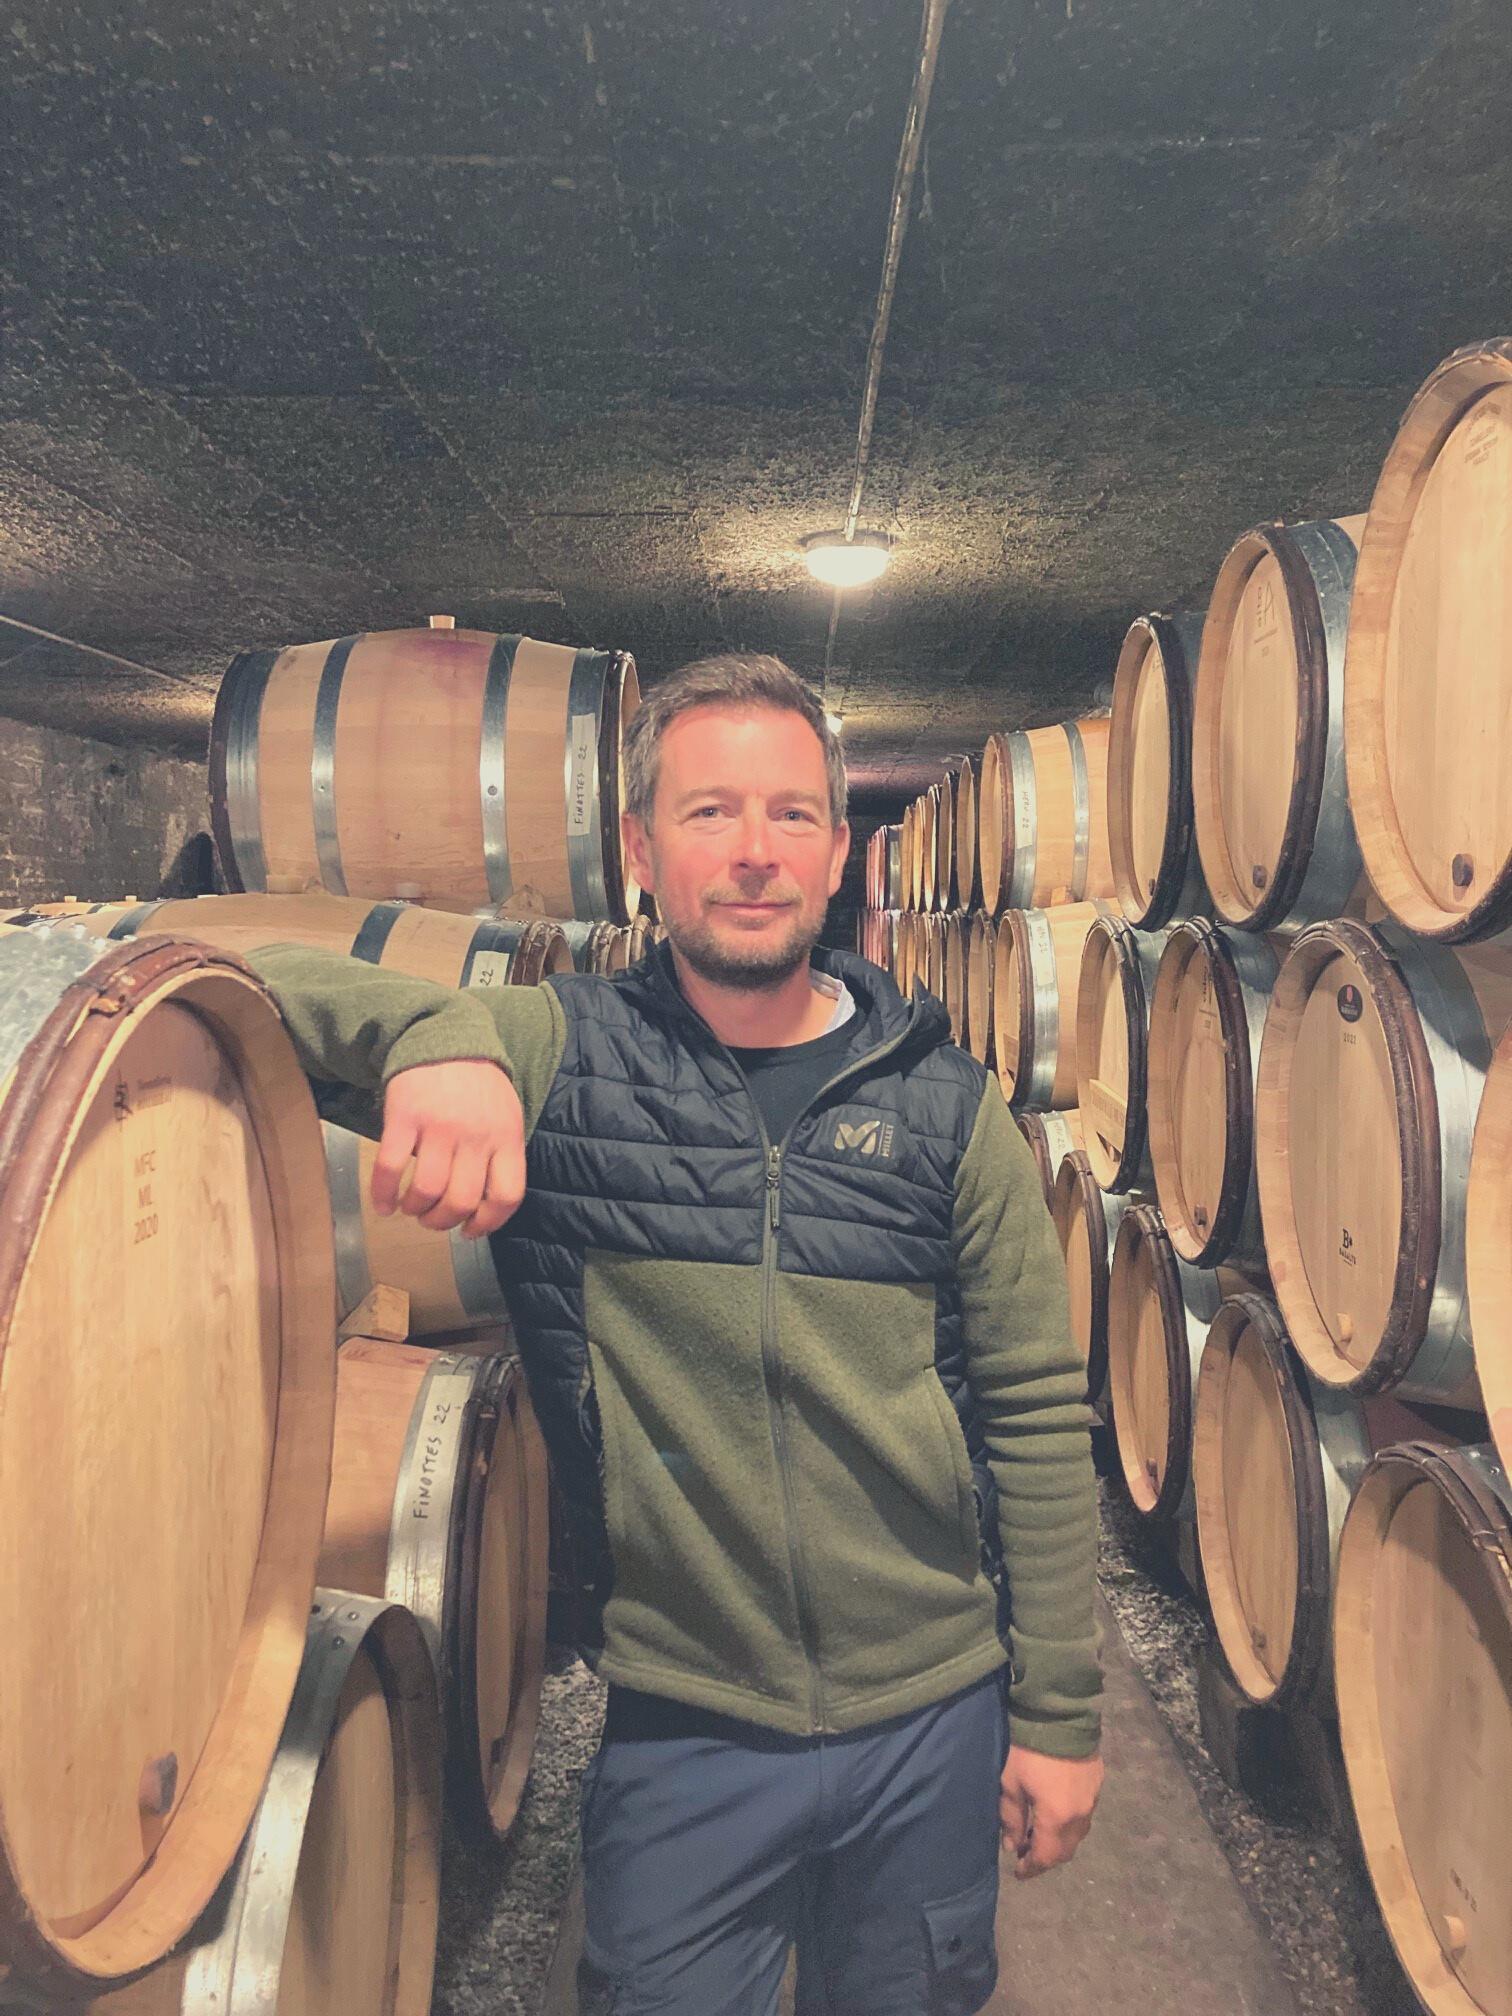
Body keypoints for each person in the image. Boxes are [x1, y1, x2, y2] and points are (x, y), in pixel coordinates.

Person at [249, 653, 1104, 2016]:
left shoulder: (949, 1111)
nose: (754, 852)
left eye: (792, 815)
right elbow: (235, 988)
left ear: (837, 855)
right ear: (642, 852)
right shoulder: (563, 1056)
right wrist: (438, 1039)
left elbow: (1038, 1419)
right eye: (710, 813)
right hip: (684, 1728)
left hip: (931, 1718)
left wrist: (1058, 1713)